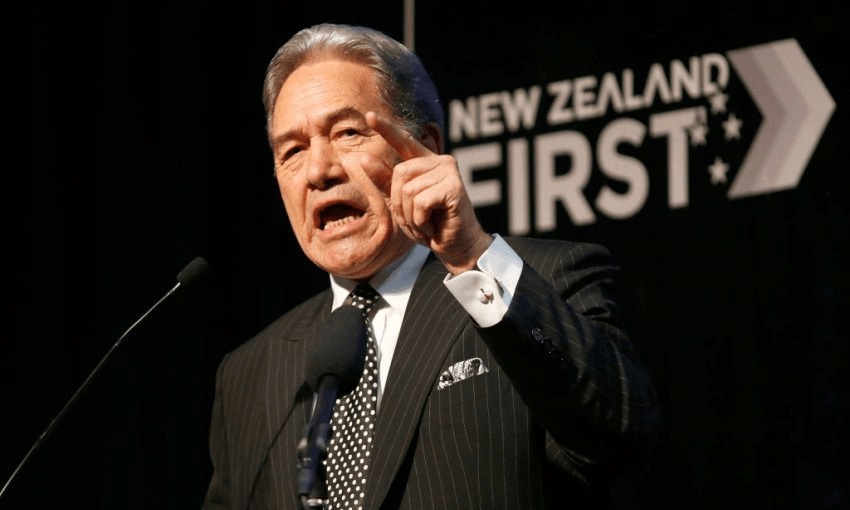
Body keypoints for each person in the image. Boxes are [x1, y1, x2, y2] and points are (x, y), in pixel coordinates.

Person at [203, 23, 658, 510]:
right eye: (292, 151)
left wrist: (470, 256)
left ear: (425, 147)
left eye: (347, 133)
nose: (318, 171)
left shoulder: (544, 281)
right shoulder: (248, 373)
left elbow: (620, 433)